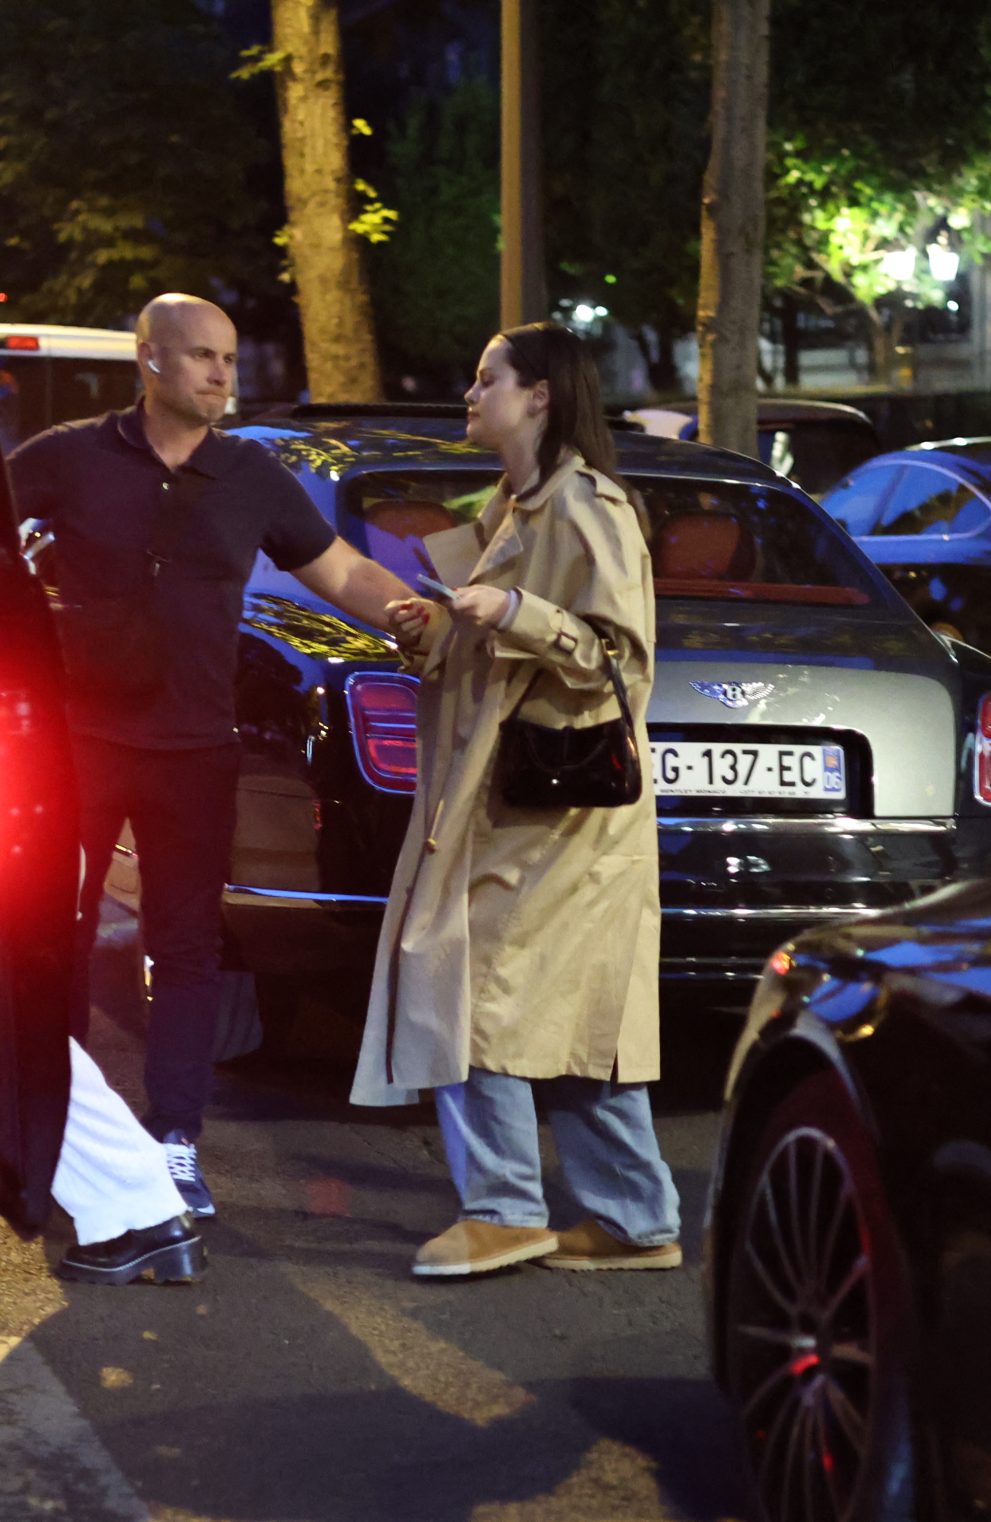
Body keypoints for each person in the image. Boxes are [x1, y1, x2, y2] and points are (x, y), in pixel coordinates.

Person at [8, 292, 411, 1221]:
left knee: (187, 949)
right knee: (55, 937)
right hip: (79, 744)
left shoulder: (250, 474)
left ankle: (175, 1142)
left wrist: (417, 618)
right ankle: (58, 1139)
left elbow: (343, 571)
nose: (223, 375)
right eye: (203, 357)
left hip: (195, 749)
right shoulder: (68, 455)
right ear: (150, 359)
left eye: (229, 358)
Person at [350, 321, 681, 1277]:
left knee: (471, 987)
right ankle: (633, 1219)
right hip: (510, 798)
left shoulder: (585, 505)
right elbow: (497, 654)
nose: (470, 392)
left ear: (539, 395)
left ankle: (503, 1209)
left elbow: (621, 660)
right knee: (562, 1007)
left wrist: (513, 611)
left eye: (486, 377)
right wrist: (432, 628)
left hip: (557, 807)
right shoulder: (509, 505)